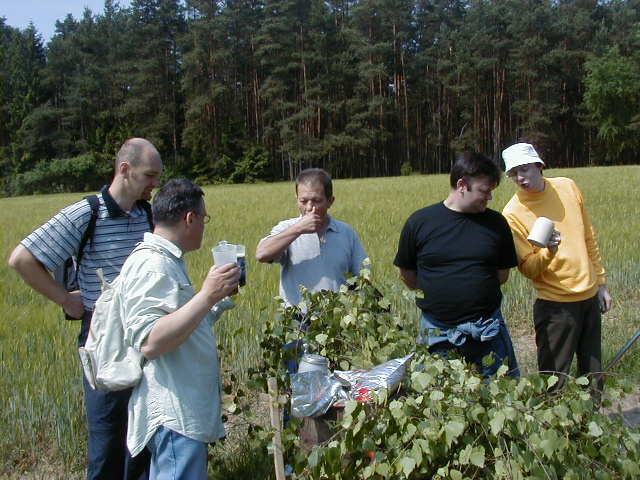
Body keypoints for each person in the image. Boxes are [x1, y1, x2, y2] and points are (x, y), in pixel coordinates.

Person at [8, 138, 163, 479]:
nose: (155, 184)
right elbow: (22, 259)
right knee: (108, 438)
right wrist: (66, 299)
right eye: (150, 175)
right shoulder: (86, 212)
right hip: (103, 336)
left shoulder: (147, 214)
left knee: (142, 434)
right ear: (125, 169)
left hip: (146, 334)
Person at [120, 178, 240, 479]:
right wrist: (206, 295)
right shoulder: (152, 264)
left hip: (183, 412)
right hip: (174, 414)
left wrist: (215, 300)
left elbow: (182, 327)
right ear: (190, 218)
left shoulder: (168, 261)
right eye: (204, 218)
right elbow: (150, 341)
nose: (204, 226)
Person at [394, 152, 520, 377]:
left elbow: (502, 275)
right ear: (462, 185)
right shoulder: (420, 222)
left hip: (487, 329)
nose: (489, 197)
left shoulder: (496, 224)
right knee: (438, 401)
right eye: (485, 190)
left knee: (504, 397)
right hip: (437, 332)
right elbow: (408, 274)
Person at [501, 142, 612, 390]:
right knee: (553, 380)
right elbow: (528, 268)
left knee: (593, 376)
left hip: (589, 296)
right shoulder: (512, 213)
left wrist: (601, 284)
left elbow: (588, 237)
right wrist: (548, 252)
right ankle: (555, 426)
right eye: (513, 173)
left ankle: (589, 425)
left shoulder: (567, 187)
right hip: (555, 306)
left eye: (525, 169)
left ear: (539, 166)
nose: (520, 177)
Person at [256, 168, 368, 307]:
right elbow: (262, 254)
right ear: (296, 199)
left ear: (330, 201)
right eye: (303, 201)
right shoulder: (286, 229)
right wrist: (298, 229)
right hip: (297, 322)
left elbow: (362, 278)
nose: (309, 207)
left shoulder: (346, 232)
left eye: (316, 201)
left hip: (338, 322)